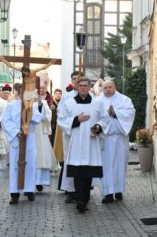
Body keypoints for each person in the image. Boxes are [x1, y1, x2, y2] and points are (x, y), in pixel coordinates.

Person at [57, 76, 108, 213]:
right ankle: (79, 200)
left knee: (88, 173)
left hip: (91, 141)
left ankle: (85, 199)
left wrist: (98, 126)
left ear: (90, 87)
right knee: (78, 173)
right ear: (77, 87)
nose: (84, 88)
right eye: (81, 86)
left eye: (86, 85)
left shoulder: (97, 103)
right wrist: (76, 119)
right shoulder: (70, 103)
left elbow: (104, 119)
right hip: (77, 141)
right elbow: (61, 120)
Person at [1, 84, 43, 204]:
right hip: (17, 139)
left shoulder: (32, 105)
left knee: (30, 165)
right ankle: (14, 193)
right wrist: (15, 131)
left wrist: (30, 114)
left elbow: (38, 119)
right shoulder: (11, 106)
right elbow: (5, 120)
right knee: (15, 166)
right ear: (18, 93)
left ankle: (29, 190)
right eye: (21, 92)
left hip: (29, 140)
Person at [98, 80, 135, 203]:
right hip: (106, 138)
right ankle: (108, 193)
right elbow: (95, 116)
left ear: (114, 87)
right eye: (105, 88)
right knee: (107, 166)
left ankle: (118, 190)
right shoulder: (98, 101)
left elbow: (130, 113)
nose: (108, 89)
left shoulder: (124, 99)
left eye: (110, 87)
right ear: (102, 89)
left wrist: (115, 113)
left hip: (120, 138)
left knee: (120, 165)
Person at [57, 71, 79, 202]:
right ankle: (70, 191)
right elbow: (61, 115)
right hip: (70, 134)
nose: (76, 81)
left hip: (82, 136)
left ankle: (82, 190)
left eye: (78, 78)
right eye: (74, 79)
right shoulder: (67, 97)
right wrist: (72, 123)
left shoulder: (89, 96)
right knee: (69, 161)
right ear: (71, 80)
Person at [34, 85, 57, 192]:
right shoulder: (24, 102)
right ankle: (30, 182)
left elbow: (48, 116)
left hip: (40, 132)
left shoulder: (43, 102)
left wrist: (39, 105)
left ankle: (40, 181)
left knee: (41, 156)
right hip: (29, 133)